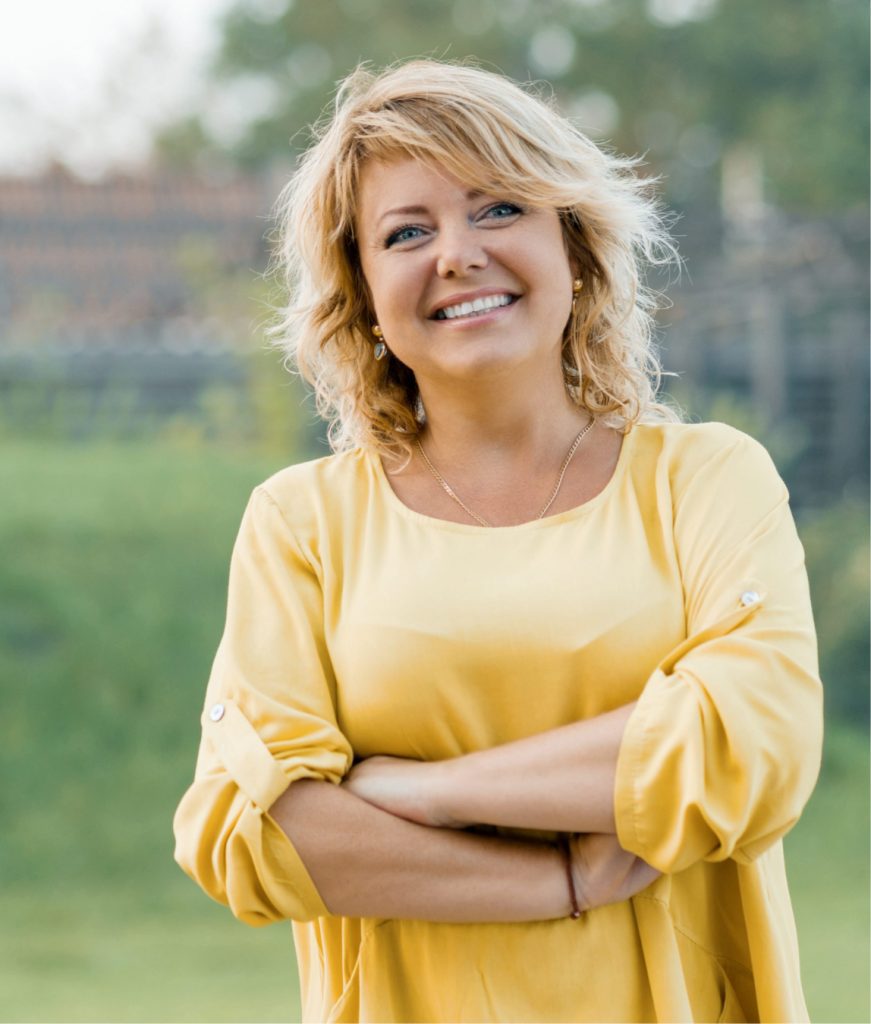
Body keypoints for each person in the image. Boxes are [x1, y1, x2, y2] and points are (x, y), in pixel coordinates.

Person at [173, 59, 823, 1023]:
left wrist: (430, 793)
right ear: (362, 293)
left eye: (497, 210)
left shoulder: (706, 480)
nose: (457, 254)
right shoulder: (301, 522)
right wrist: (561, 884)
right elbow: (247, 830)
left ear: (574, 245)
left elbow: (751, 745)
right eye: (406, 232)